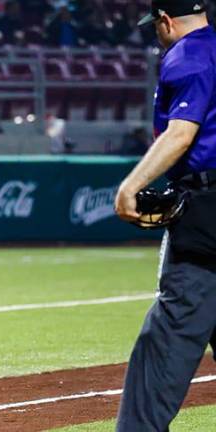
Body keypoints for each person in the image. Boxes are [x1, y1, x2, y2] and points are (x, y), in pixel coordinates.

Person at [114, 1, 216, 430]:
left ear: (166, 20)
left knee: (164, 345)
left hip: (208, 214)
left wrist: (130, 186)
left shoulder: (189, 53)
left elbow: (181, 133)